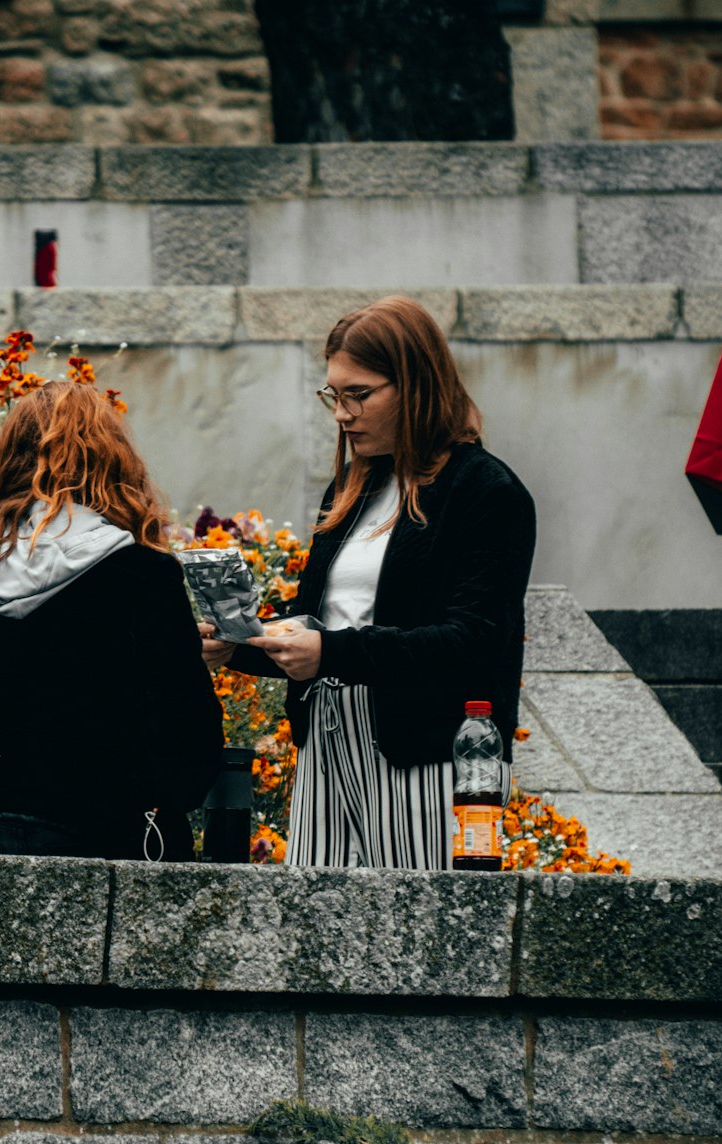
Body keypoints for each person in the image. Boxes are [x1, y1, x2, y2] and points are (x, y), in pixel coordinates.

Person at [202, 295, 536, 869]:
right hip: (328, 743)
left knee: (421, 936)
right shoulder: (350, 491)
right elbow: (315, 622)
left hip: (426, 752)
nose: (341, 413)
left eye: (359, 394)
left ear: (417, 387)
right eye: (334, 394)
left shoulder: (486, 491)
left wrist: (332, 651)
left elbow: (474, 640)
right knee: (315, 932)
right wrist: (237, 645)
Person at [0, 381, 224, 860]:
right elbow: (184, 723)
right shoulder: (143, 572)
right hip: (100, 821)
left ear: (10, 459)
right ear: (114, 462)